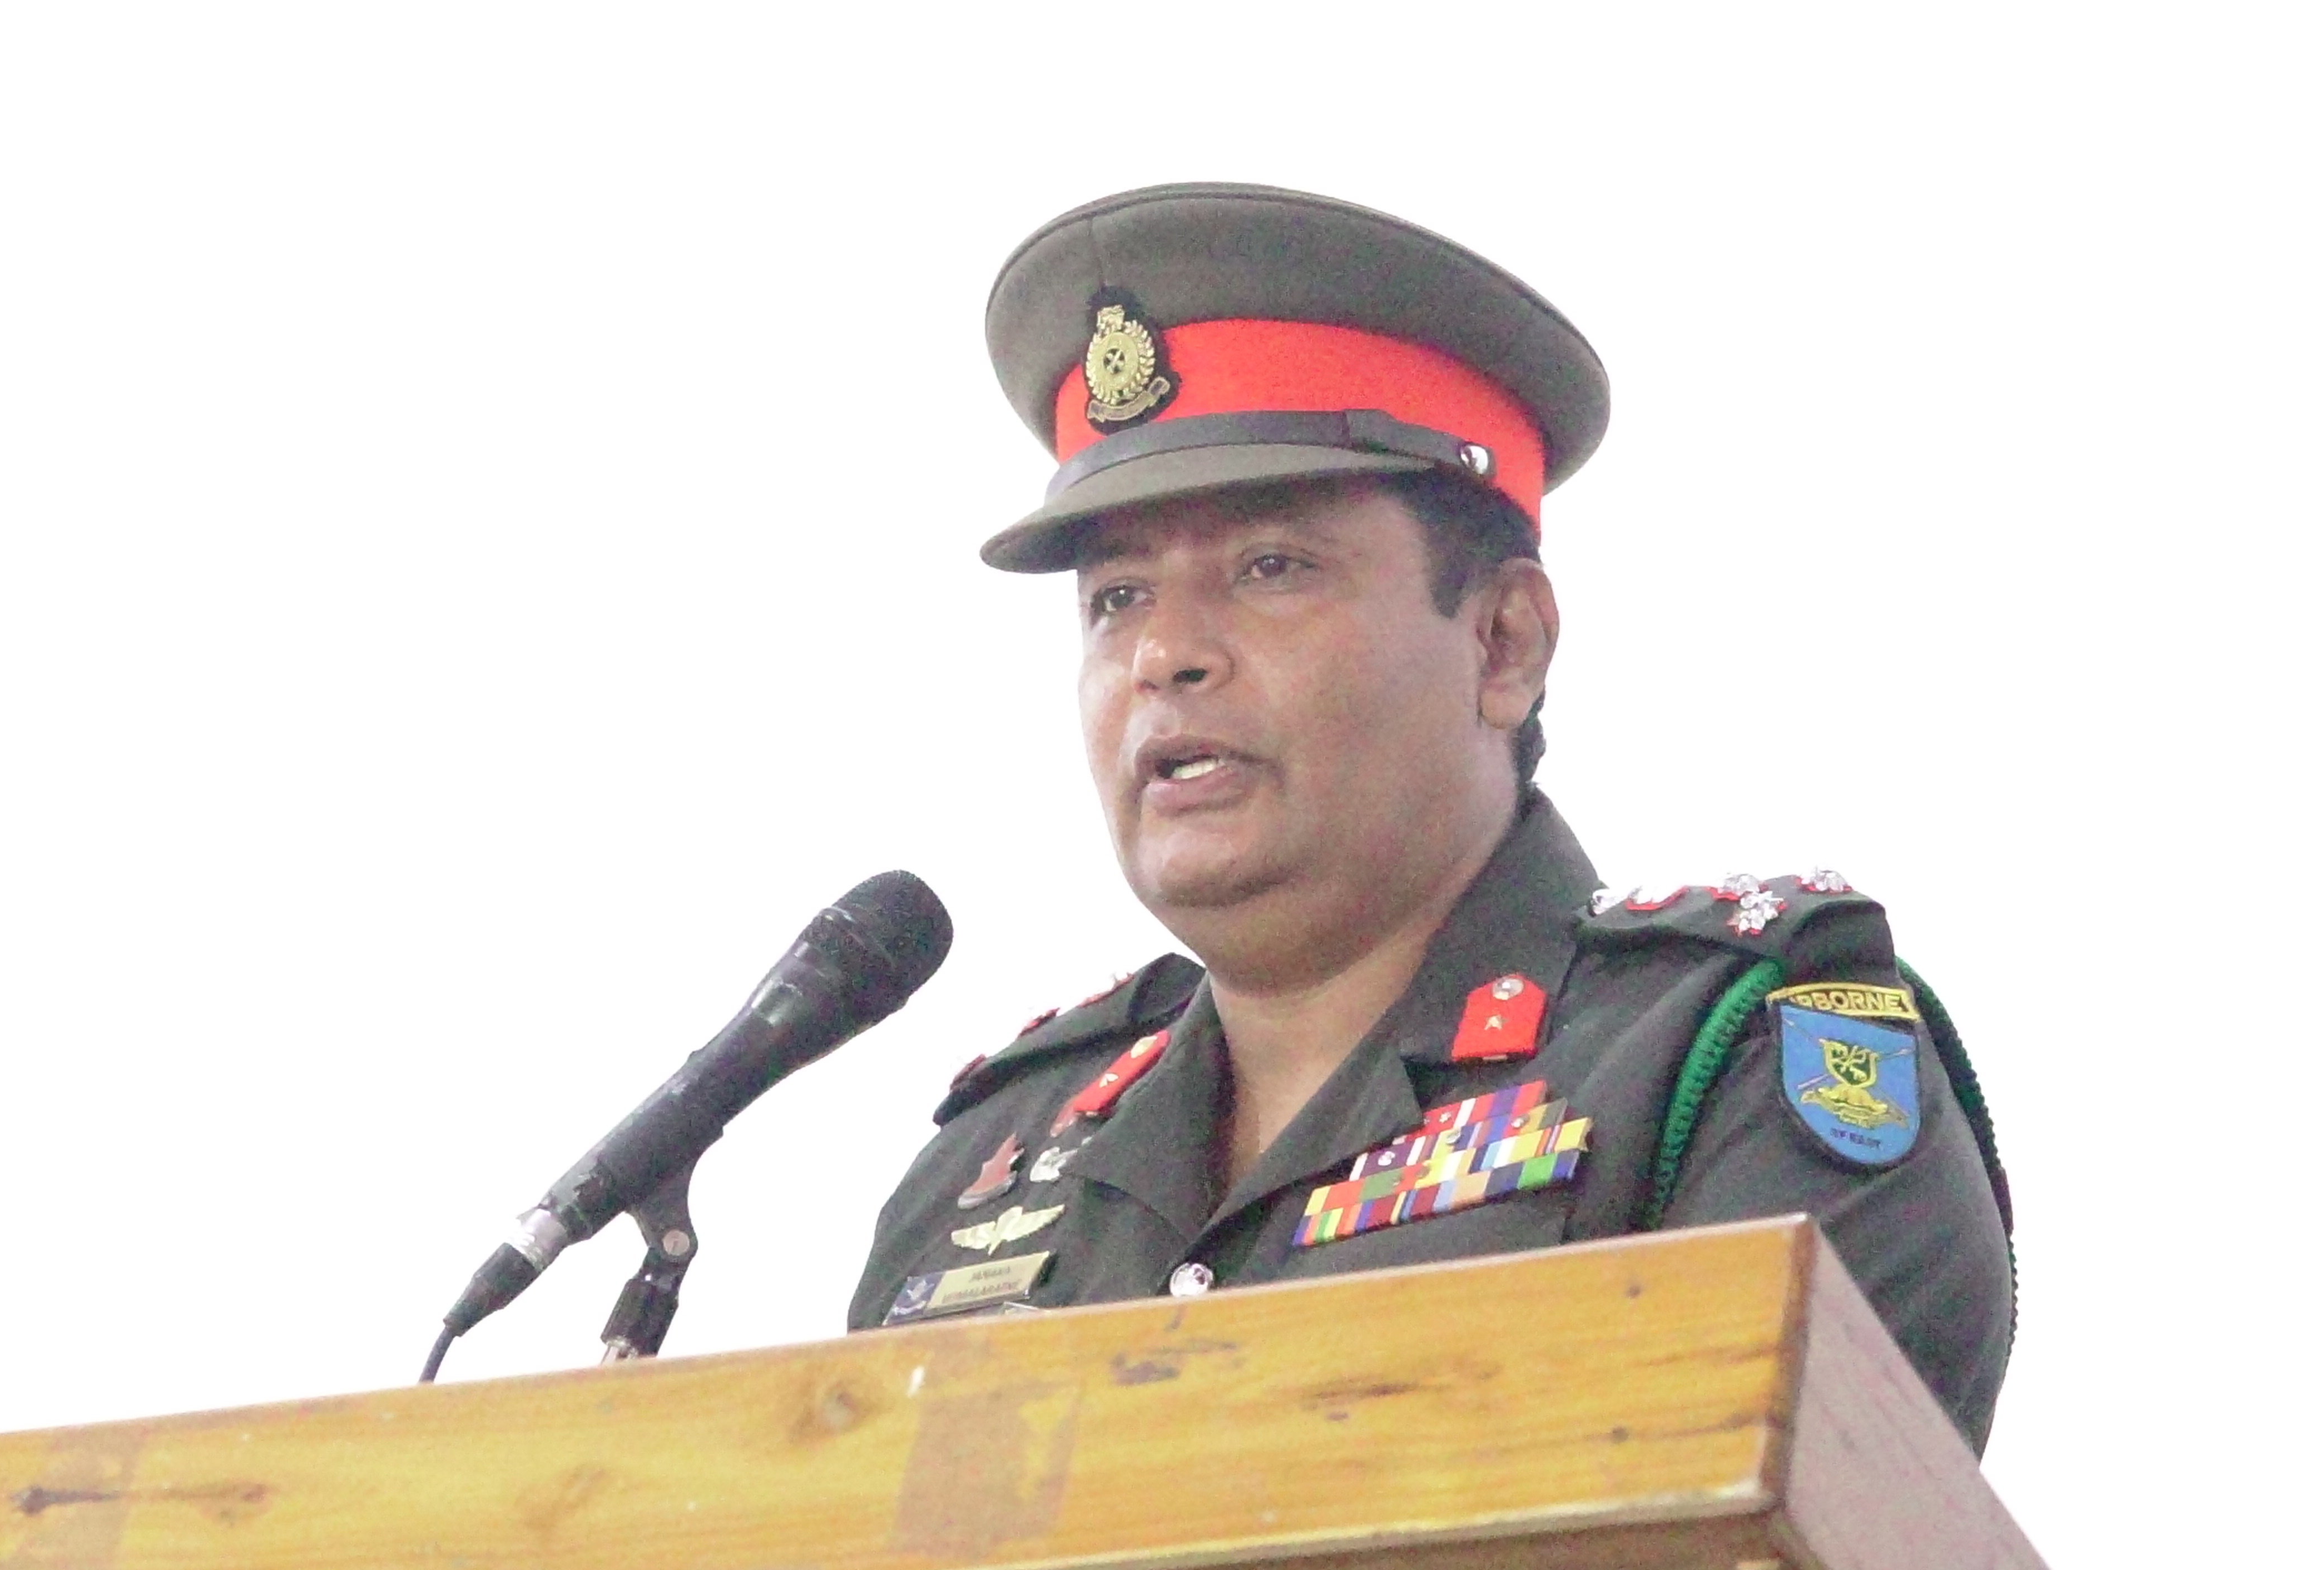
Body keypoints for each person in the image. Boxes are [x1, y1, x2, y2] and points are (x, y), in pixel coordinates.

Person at [848, 183, 2015, 1451]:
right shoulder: (990, 1164)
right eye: (1116, 598)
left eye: (1270, 568)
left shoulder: (1725, 1058)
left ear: (1504, 641)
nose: (1163, 655)